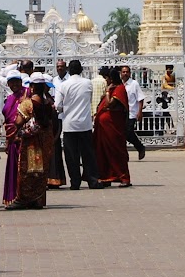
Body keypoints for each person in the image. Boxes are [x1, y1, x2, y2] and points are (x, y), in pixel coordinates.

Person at [7, 73, 59, 209]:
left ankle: (23, 199)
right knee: (41, 171)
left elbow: (18, 122)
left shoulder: (27, 104)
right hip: (45, 142)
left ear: (32, 87)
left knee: (27, 171)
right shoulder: (48, 103)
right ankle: (38, 199)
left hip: (31, 143)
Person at [56, 59, 99, 189]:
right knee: (88, 154)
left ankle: (75, 182)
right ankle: (92, 180)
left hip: (69, 125)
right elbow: (90, 100)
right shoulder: (88, 83)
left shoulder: (63, 85)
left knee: (71, 156)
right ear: (81, 70)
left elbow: (58, 105)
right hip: (85, 124)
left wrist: (66, 108)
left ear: (68, 70)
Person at [95, 65, 132, 187]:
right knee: (105, 152)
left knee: (116, 151)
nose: (106, 81)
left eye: (107, 79)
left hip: (113, 127)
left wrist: (106, 92)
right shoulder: (113, 89)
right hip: (105, 128)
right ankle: (108, 176)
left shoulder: (119, 89)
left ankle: (123, 177)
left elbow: (110, 104)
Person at [0, 70, 26, 205]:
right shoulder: (10, 98)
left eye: (16, 81)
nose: (14, 84)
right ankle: (13, 196)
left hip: (24, 138)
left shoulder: (27, 94)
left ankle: (24, 196)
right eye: (11, 82)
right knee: (13, 168)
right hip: (12, 139)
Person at [50, 59, 70, 188]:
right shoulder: (54, 80)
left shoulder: (70, 80)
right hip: (56, 117)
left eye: (61, 67)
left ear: (66, 68)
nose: (59, 69)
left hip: (68, 116)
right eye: (58, 67)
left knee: (68, 147)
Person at [120, 65, 146, 160]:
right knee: (122, 134)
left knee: (129, 132)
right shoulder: (120, 84)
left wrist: (140, 112)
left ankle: (140, 147)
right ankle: (124, 154)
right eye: (123, 72)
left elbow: (140, 98)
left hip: (132, 113)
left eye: (127, 72)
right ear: (121, 73)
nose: (125, 74)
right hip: (122, 114)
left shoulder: (134, 84)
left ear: (130, 73)